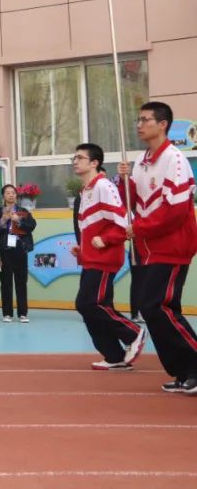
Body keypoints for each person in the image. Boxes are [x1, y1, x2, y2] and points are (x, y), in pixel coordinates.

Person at [118, 101, 197, 394]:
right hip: (149, 247)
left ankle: (193, 367)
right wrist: (124, 181)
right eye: (138, 120)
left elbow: (174, 211)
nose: (139, 125)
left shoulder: (174, 160)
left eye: (145, 120)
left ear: (162, 124)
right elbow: (133, 201)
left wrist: (139, 228)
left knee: (157, 305)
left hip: (173, 245)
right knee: (156, 308)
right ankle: (183, 371)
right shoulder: (142, 160)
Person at [70, 143, 146, 370]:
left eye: (80, 158)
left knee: (88, 303)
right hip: (92, 258)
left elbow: (126, 222)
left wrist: (105, 240)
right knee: (94, 306)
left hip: (104, 258)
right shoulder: (86, 191)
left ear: (94, 163)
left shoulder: (104, 186)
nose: (75, 161)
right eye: (74, 158)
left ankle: (133, 333)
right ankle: (114, 356)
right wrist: (82, 250)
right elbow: (92, 227)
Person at [0, 184, 36, 323]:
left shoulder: (23, 211)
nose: (11, 195)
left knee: (21, 282)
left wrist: (18, 221)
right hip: (5, 250)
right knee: (5, 282)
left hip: (20, 248)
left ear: (16, 195)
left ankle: (23, 313)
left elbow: (32, 226)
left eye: (13, 193)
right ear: (3, 196)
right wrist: (4, 219)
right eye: (8, 193)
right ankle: (7, 313)